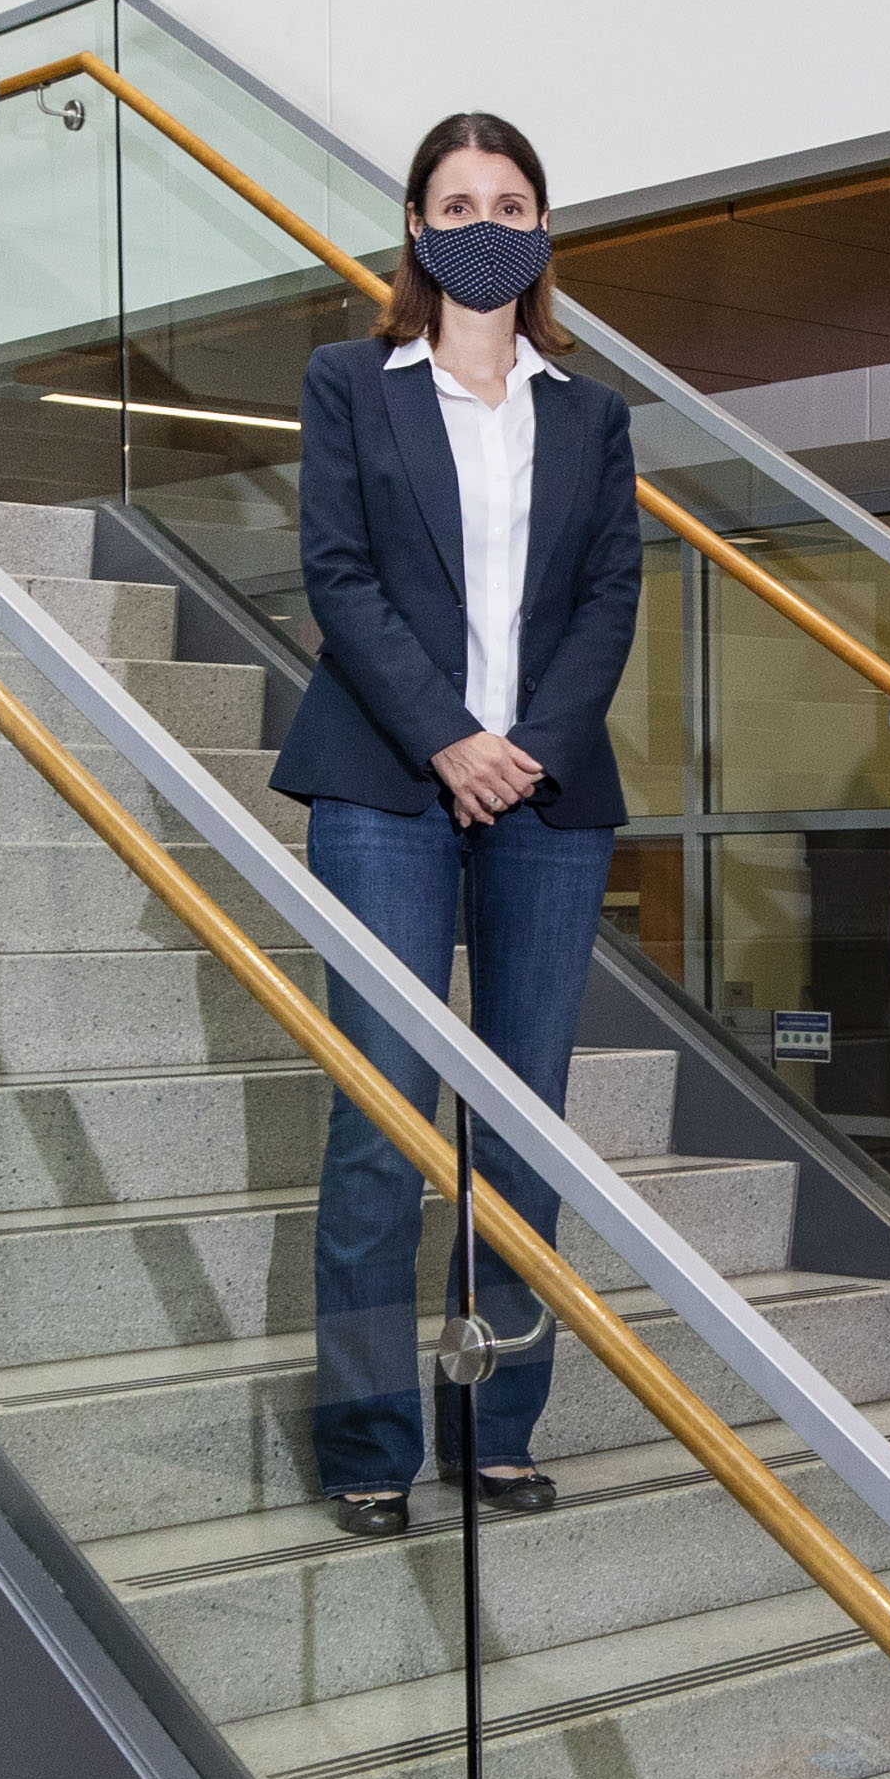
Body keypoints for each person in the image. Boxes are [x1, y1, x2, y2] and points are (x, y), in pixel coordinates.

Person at [275, 115, 641, 1540]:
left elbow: (610, 595)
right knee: (382, 1123)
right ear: (415, 226)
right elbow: (336, 570)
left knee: (523, 1125)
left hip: (549, 802)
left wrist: (528, 748)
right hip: (385, 784)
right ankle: (367, 1436)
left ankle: (494, 1422)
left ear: (543, 227)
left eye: (509, 198)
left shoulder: (591, 414)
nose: (483, 218)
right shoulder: (349, 385)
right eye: (455, 198)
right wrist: (448, 736)